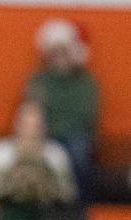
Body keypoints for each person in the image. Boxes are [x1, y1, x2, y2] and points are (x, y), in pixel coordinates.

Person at [26, 18, 99, 200]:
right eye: (55, 52)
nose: (59, 57)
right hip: (44, 134)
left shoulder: (86, 82)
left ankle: (76, 203)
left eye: (63, 52)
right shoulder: (39, 80)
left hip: (73, 137)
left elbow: (85, 116)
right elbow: (33, 112)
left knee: (77, 149)